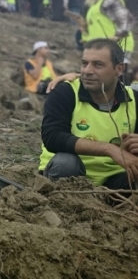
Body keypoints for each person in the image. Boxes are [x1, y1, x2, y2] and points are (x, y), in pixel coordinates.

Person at [39, 39, 137, 191]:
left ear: (119, 69)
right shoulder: (65, 92)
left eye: (98, 65)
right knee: (65, 163)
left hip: (114, 178)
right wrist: (110, 149)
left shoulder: (134, 99)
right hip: (70, 174)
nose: (87, 70)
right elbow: (52, 137)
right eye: (84, 63)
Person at [75, 0, 134, 75]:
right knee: (103, 86)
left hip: (115, 49)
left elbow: (126, 21)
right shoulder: (95, 4)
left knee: (115, 85)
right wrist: (84, 28)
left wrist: (115, 38)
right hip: (101, 50)